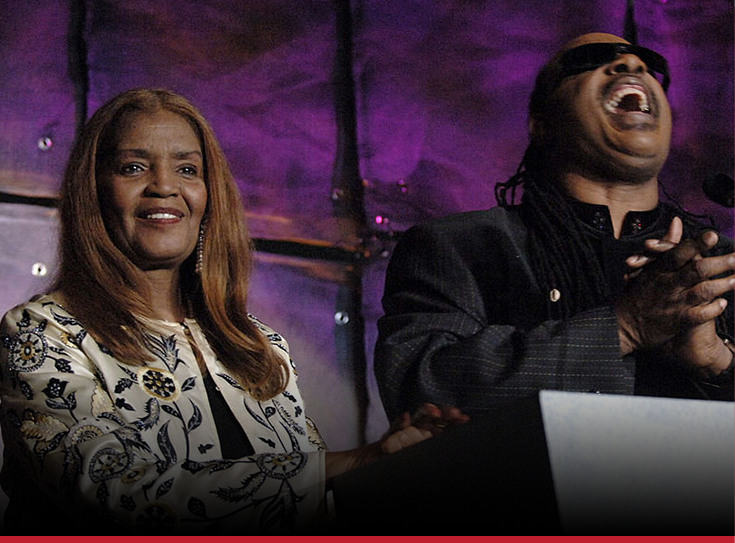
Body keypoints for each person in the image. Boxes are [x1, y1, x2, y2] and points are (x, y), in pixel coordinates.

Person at [0, 89, 466, 534]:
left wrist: (400, 461)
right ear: (95, 192)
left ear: (208, 194)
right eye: (134, 167)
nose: (164, 186)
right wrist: (356, 461)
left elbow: (315, 504)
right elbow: (124, 498)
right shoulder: (43, 335)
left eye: (187, 169)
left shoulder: (261, 347)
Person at [374, 32, 735, 422]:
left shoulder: (718, 264)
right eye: (590, 59)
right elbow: (422, 387)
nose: (632, 66)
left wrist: (718, 363)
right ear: (541, 123)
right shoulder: (461, 247)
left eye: (647, 63)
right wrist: (624, 327)